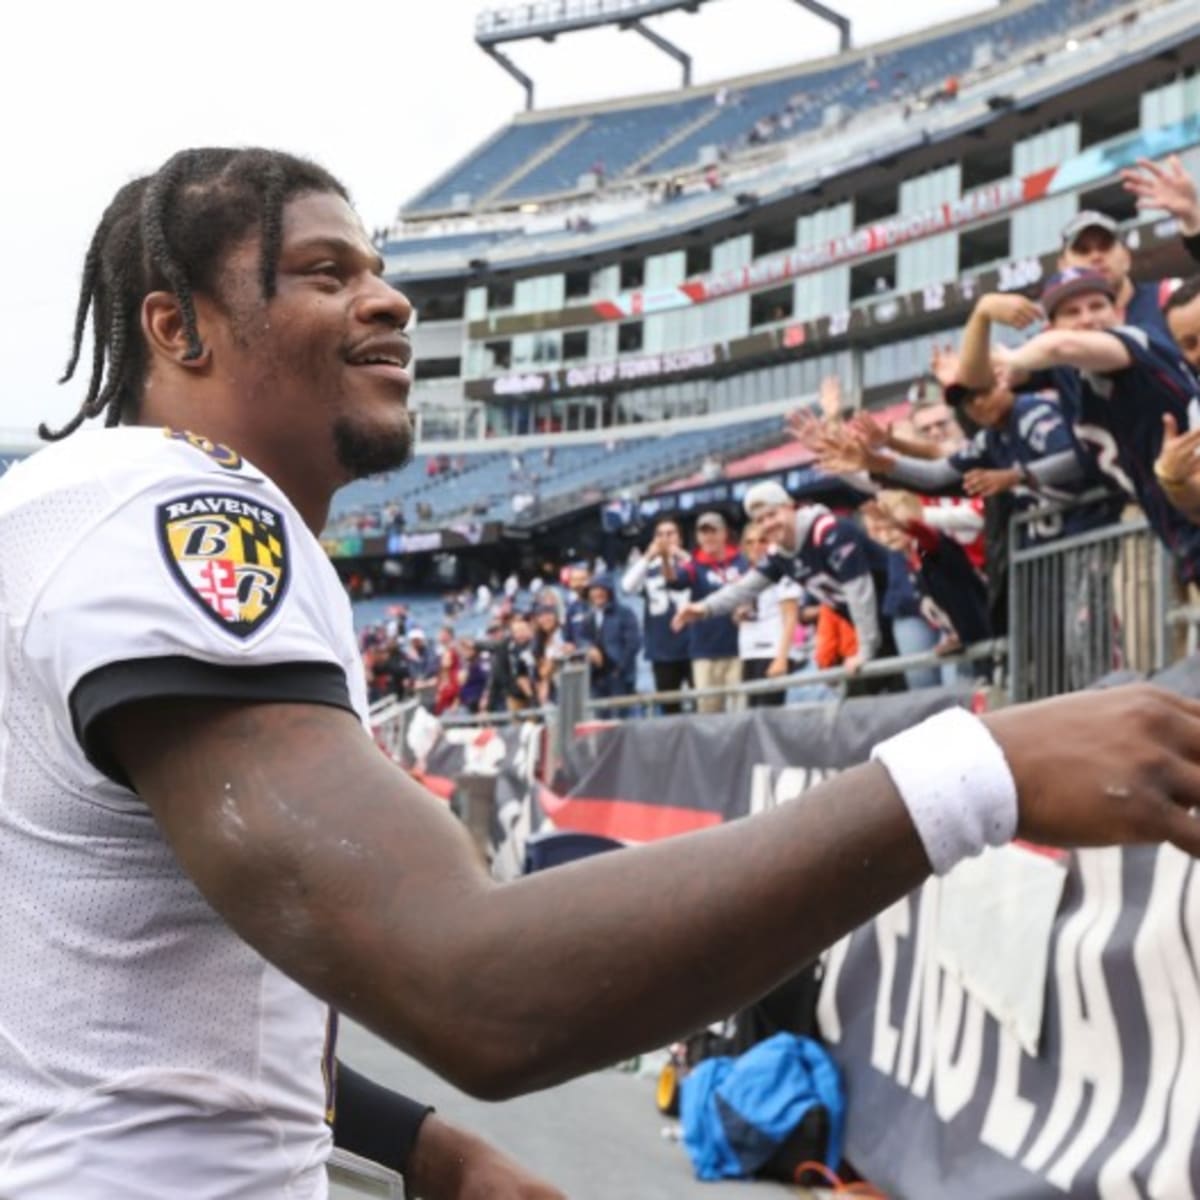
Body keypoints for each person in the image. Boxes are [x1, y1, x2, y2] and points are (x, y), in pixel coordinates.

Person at [6, 146, 1200, 1199]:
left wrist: (426, 1149)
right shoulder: (177, 509)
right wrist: (974, 772)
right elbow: (475, 985)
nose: (389, 299)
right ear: (176, 327)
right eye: (325, 274)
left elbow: (155, 1010)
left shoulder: (109, 514)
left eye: (375, 266)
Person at [677, 484, 901, 695]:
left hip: (901, 612)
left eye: (773, 515)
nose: (768, 524)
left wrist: (866, 649)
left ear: (790, 507)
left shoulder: (828, 531)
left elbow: (859, 592)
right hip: (874, 628)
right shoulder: (781, 554)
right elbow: (745, 588)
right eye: (761, 520)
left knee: (915, 688)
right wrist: (704, 608)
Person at [620, 517, 693, 714]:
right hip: (662, 647)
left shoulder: (689, 562)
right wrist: (647, 557)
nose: (665, 539)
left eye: (671, 534)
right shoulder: (648, 569)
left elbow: (702, 570)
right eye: (660, 535)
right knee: (670, 708)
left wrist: (676, 553)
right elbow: (626, 586)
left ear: (680, 537)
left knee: (702, 705)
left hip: (693, 644)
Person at [675, 512, 747, 713]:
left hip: (739, 648)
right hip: (705, 651)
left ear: (724, 533)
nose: (708, 537)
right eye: (703, 532)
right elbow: (674, 582)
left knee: (739, 711)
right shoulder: (694, 565)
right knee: (708, 715)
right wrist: (664, 556)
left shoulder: (741, 561)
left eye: (713, 531)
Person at [735, 521, 801, 707]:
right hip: (749, 652)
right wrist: (739, 616)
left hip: (772, 652)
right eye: (749, 542)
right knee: (752, 716)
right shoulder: (746, 576)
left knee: (768, 718)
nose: (756, 546)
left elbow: (791, 617)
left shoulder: (782, 571)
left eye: (762, 540)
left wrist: (781, 658)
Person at [579, 574, 642, 713]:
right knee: (601, 723)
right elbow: (581, 639)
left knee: (620, 721)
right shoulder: (588, 617)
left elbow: (634, 643)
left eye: (601, 589)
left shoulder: (625, 613)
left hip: (620, 677)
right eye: (593, 590)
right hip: (596, 677)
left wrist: (619, 669)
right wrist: (589, 648)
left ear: (609, 591)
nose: (597, 593)